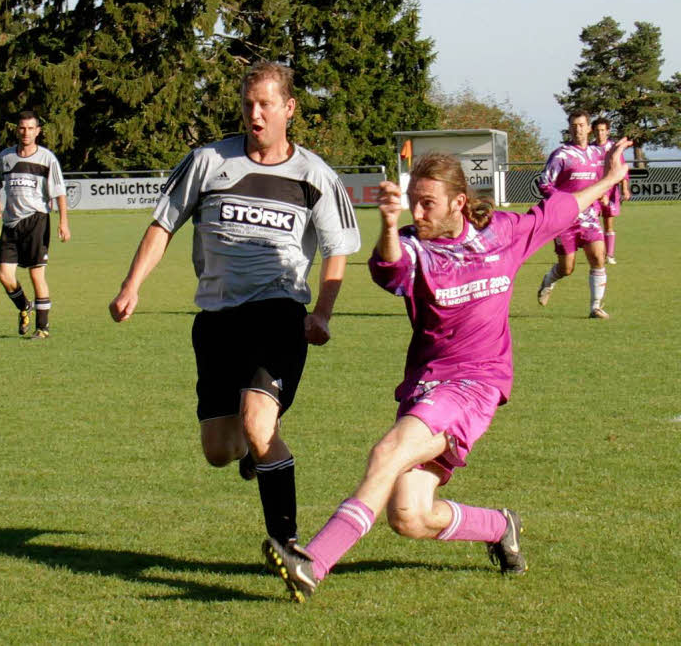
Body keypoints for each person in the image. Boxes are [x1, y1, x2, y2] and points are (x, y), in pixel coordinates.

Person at [263, 140, 632, 603]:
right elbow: (390, 270)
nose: (418, 211)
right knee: (409, 516)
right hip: (427, 387)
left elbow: (564, 208)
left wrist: (613, 178)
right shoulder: (417, 251)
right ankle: (501, 526)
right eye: (413, 201)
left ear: (459, 203)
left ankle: (314, 561)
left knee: (387, 454)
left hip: (477, 385)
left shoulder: (505, 232)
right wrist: (389, 224)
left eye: (427, 203)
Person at [109, 61, 361, 550]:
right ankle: (252, 450)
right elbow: (164, 225)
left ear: (288, 108)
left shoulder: (314, 175)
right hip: (217, 319)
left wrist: (323, 312)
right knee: (219, 451)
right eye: (248, 104)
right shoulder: (207, 161)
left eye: (266, 104)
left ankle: (287, 544)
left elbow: (337, 251)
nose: (255, 114)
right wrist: (131, 285)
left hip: (279, 311)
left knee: (257, 420)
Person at [0, 110, 70, 339]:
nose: (26, 132)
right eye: (22, 128)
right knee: (4, 275)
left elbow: (59, 192)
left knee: (37, 275)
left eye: (31, 128)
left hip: (37, 220)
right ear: (17, 130)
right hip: (10, 223)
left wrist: (63, 222)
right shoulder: (5, 157)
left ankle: (42, 328)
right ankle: (25, 307)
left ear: (38, 131)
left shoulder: (47, 159)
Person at [535, 111, 611, 318]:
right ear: (569, 129)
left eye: (581, 125)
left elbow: (600, 180)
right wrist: (564, 201)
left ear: (589, 128)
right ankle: (548, 281)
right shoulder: (562, 155)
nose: (578, 129)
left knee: (598, 258)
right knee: (567, 268)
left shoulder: (597, 155)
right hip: (565, 219)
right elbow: (544, 184)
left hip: (589, 218)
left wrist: (602, 194)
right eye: (574, 125)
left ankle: (595, 307)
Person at [592, 117, 631, 265]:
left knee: (608, 224)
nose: (600, 133)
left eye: (602, 130)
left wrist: (625, 189)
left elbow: (621, 170)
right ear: (593, 132)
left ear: (607, 132)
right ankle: (597, 253)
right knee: (593, 224)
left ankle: (609, 254)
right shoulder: (590, 149)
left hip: (610, 191)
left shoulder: (614, 148)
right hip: (594, 191)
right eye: (597, 130)